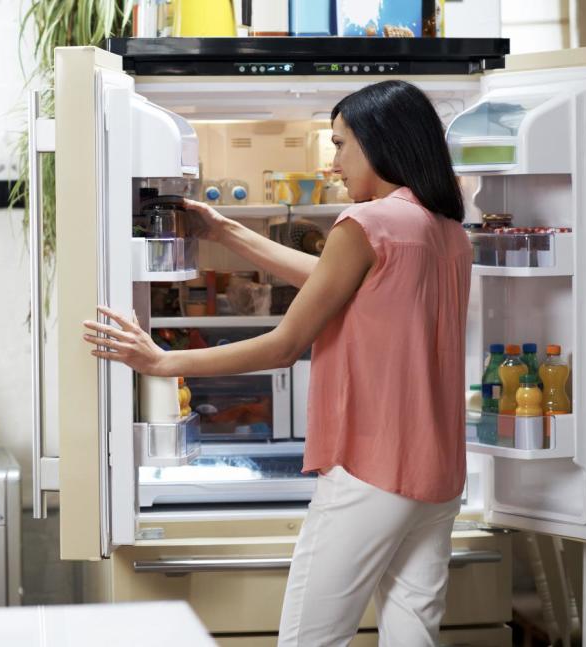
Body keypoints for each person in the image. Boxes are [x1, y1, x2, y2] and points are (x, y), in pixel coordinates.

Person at [82, 80, 471, 646]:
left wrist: (162, 361)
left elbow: (285, 344)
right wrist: (226, 230)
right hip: (438, 477)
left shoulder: (366, 224)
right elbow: (330, 283)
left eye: (340, 144)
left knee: (309, 638)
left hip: (374, 469)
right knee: (413, 634)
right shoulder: (445, 230)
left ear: (378, 142)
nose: (334, 162)